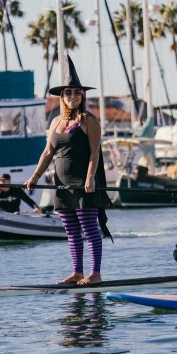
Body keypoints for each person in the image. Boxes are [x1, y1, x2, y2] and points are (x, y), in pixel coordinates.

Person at [26, 57, 112, 286]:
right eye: (68, 92)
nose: (72, 96)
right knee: (71, 231)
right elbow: (47, 153)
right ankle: (76, 272)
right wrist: (34, 177)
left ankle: (95, 273)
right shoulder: (55, 122)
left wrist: (91, 177)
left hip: (84, 183)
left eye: (77, 92)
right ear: (62, 96)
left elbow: (95, 152)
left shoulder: (89, 120)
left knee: (89, 229)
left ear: (82, 95)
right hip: (61, 183)